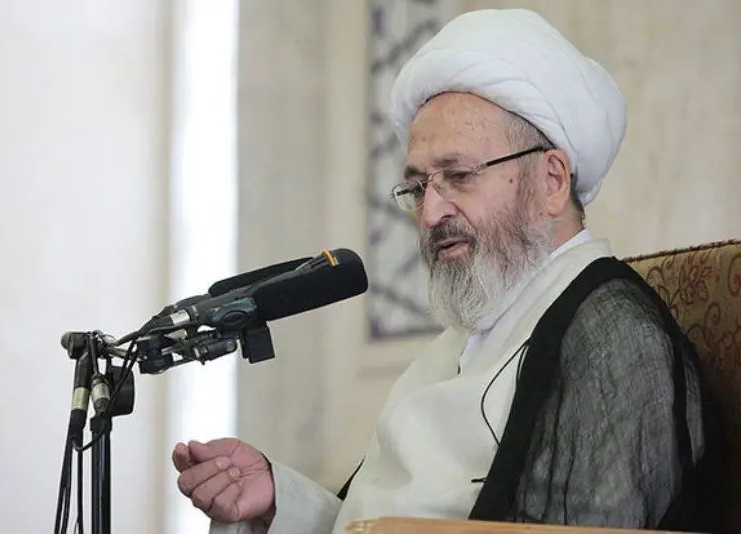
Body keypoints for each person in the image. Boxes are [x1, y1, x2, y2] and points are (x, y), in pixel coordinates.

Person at [172, 8, 721, 534]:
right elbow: (394, 521)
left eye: (458, 176)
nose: (431, 213)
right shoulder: (467, 335)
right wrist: (281, 502)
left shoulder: (612, 338)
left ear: (552, 181)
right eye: (417, 187)